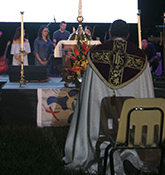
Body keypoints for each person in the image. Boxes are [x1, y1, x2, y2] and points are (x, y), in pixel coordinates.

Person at [64, 19, 155, 174]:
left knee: (103, 138)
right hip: (131, 122)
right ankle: (130, 156)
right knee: (129, 135)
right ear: (127, 35)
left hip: (101, 118)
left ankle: (110, 159)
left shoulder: (96, 54)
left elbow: (89, 92)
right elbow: (145, 92)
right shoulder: (139, 56)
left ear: (110, 33)